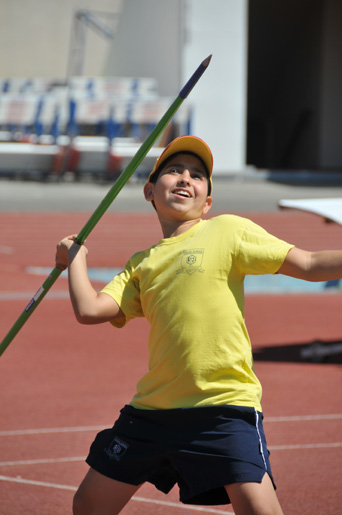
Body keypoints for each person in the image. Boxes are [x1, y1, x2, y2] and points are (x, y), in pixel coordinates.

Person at [56, 135, 342, 515]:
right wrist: (75, 258)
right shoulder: (140, 264)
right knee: (88, 503)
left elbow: (307, 265)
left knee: (260, 510)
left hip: (223, 408)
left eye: (196, 175)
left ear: (207, 202)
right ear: (149, 191)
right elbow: (89, 309)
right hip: (153, 411)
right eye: (173, 171)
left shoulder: (227, 231)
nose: (184, 178)